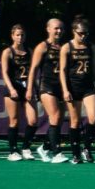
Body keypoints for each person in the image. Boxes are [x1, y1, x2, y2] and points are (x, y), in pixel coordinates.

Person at [58, 17, 95, 164]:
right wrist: (65, 90)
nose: (83, 36)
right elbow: (62, 71)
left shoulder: (91, 47)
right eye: (81, 33)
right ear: (74, 32)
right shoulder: (66, 48)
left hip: (88, 86)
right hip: (73, 86)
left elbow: (94, 68)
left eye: (86, 33)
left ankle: (87, 148)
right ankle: (75, 153)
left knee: (93, 117)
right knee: (75, 121)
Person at [27, 19, 68, 163]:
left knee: (59, 120)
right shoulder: (42, 47)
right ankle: (57, 153)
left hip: (61, 87)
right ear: (48, 29)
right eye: (56, 28)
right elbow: (33, 69)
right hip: (47, 86)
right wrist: (30, 89)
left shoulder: (64, 46)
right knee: (55, 117)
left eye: (61, 29)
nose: (59, 31)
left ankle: (44, 147)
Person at [0, 24, 37, 160]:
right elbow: (4, 72)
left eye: (22, 35)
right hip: (13, 87)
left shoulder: (30, 51)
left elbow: (33, 71)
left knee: (33, 120)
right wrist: (11, 89)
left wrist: (31, 88)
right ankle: (13, 151)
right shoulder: (7, 52)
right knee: (14, 120)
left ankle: (26, 148)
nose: (20, 37)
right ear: (12, 36)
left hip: (27, 87)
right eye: (17, 35)